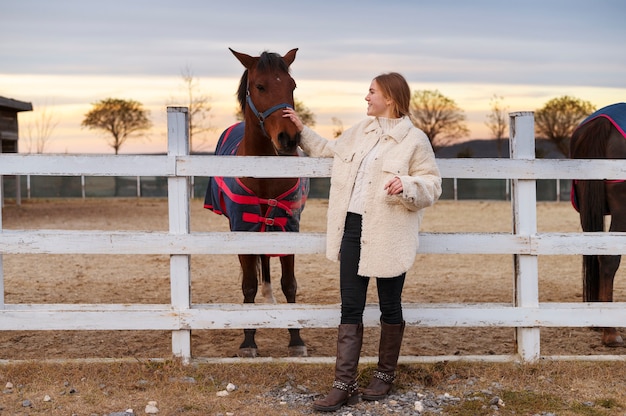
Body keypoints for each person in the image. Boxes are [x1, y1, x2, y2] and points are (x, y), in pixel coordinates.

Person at [283, 72, 442, 412]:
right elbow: (329, 150)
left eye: (372, 92)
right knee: (350, 306)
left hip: (389, 231)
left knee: (389, 305)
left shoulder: (414, 140)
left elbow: (432, 184)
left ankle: (385, 375)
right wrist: (299, 128)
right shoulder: (359, 133)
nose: (366, 98)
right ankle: (344, 385)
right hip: (352, 228)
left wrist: (407, 185)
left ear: (391, 98)